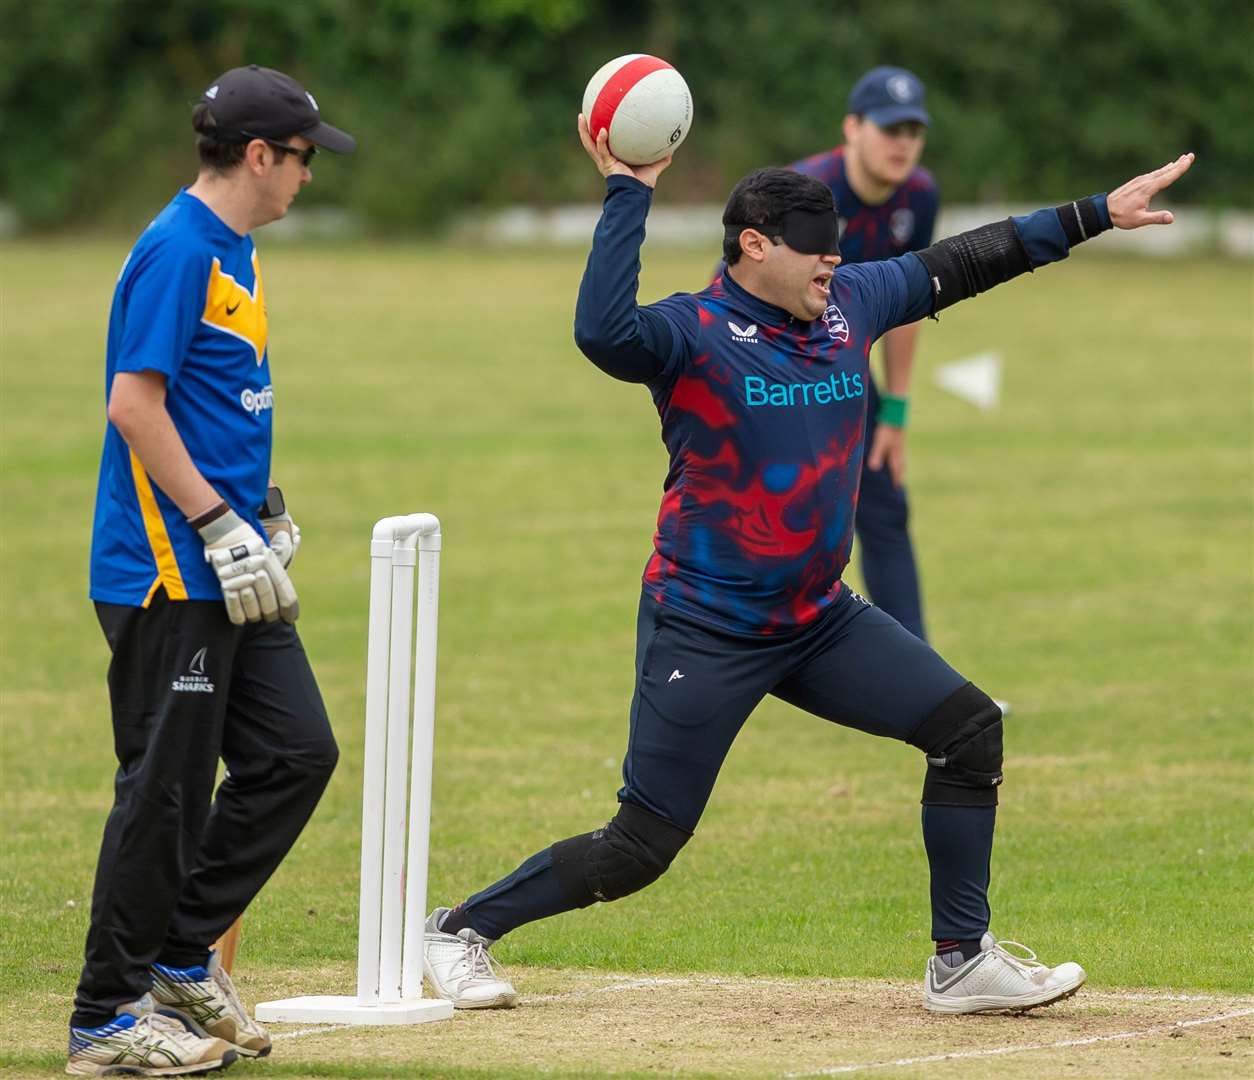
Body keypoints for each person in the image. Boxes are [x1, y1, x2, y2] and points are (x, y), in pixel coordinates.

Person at [418, 118, 1192, 1016]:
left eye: (838, 256)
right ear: (754, 246)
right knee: (643, 843)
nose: (833, 269)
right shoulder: (690, 333)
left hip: (818, 618)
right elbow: (602, 332)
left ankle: (961, 959)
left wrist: (1097, 212)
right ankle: (458, 927)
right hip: (706, 627)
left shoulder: (847, 308)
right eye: (815, 255)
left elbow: (974, 258)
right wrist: (629, 189)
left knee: (969, 729)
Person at [68, 65, 354, 1077]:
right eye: (305, 158)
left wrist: (260, 513)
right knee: (166, 794)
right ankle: (104, 1019)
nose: (310, 178)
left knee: (296, 753)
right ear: (261, 156)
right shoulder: (179, 249)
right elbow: (133, 405)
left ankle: (179, 954)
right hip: (166, 572)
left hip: (228, 558)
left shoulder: (235, 246)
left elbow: (210, 403)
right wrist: (215, 522)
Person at [788, 65, 937, 644]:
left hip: (845, 373)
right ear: (852, 128)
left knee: (885, 508)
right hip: (767, 366)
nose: (903, 143)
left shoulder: (920, 195)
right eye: (888, 128)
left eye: (913, 131)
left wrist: (895, 413)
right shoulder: (805, 194)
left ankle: (926, 682)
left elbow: (911, 306)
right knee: (789, 522)